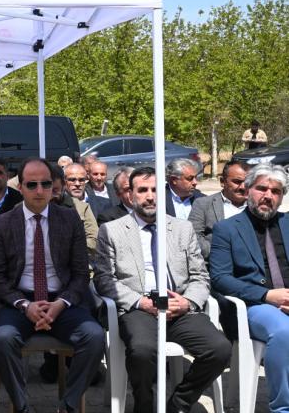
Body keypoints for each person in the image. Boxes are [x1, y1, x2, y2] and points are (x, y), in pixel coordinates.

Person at [94, 166, 231, 413]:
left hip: (179, 307)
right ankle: (144, 406)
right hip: (138, 308)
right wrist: (141, 302)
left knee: (219, 349)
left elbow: (200, 275)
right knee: (142, 351)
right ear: (130, 195)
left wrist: (188, 302)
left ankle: (178, 404)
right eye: (142, 190)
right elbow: (104, 279)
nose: (150, 196)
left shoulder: (181, 229)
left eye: (155, 190)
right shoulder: (112, 230)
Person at [0, 158, 104, 413]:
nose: (39, 190)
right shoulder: (3, 222)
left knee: (95, 336)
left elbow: (80, 273)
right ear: (20, 187)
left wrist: (61, 304)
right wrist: (25, 305)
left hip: (62, 300)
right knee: (3, 338)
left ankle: (69, 405)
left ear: (54, 187)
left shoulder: (70, 219)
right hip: (19, 301)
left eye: (46, 184)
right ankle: (22, 407)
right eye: (32, 185)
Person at [210, 163, 289, 413]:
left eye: (275, 191)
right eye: (262, 188)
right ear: (248, 190)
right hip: (253, 306)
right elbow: (220, 278)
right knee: (284, 331)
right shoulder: (227, 229)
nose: (268, 195)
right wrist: (267, 295)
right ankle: (283, 408)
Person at [188, 160, 250, 260]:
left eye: (247, 182)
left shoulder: (256, 206)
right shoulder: (203, 204)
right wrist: (219, 253)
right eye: (237, 182)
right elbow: (193, 236)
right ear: (222, 182)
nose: (243, 187)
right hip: (215, 264)